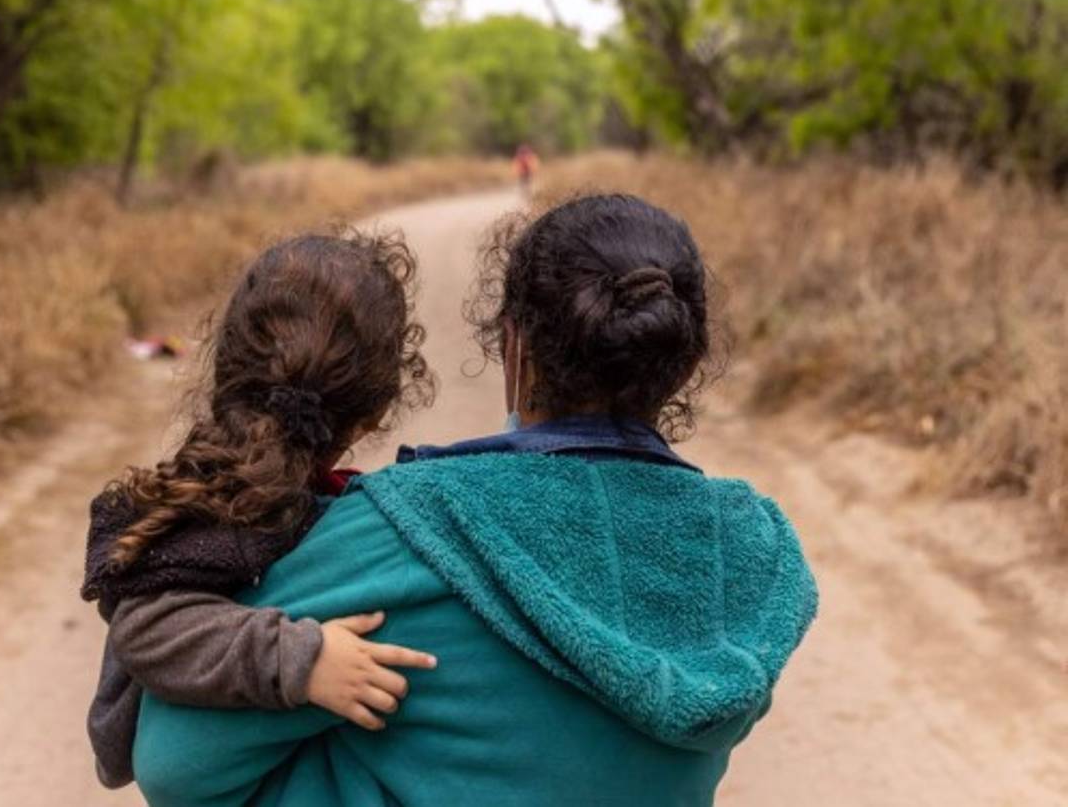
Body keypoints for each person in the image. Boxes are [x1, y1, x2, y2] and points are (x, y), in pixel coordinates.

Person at [133, 194, 819, 807]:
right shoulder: (740, 551)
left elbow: (172, 765)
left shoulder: (412, 526)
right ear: (686, 361)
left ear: (514, 347)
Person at [80, 228, 438, 788]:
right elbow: (144, 627)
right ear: (375, 414)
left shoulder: (307, 492)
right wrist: (302, 660)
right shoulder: (237, 498)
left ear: (226, 368)